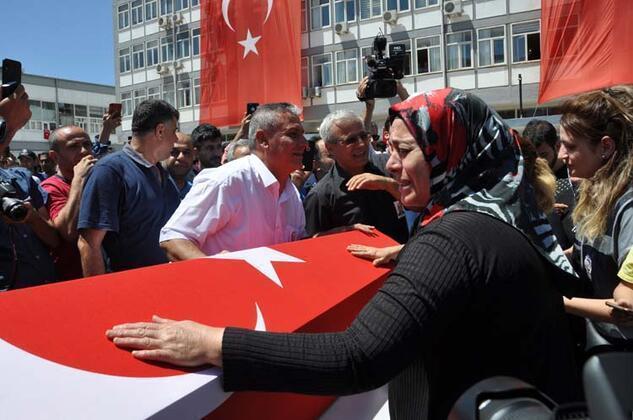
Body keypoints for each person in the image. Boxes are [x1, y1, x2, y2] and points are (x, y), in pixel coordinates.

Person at [107, 89, 580, 419]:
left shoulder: (453, 240)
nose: (388, 164)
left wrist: (211, 344)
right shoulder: (487, 220)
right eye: (387, 149)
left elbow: (358, 357)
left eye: (401, 150)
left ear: (448, 153)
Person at [159, 103, 307, 260]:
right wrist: (215, 271)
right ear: (263, 140)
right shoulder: (226, 181)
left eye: (302, 135)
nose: (304, 143)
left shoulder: (291, 193)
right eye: (293, 134)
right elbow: (173, 239)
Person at [558, 85, 633, 339]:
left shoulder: (629, 208)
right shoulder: (596, 193)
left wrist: (558, 302)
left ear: (606, 147)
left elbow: (627, 307)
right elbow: (583, 251)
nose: (561, 155)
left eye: (570, 146)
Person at [77, 99, 180, 276]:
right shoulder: (109, 172)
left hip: (166, 285)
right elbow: (88, 244)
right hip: (128, 291)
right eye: (174, 131)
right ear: (160, 131)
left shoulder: (162, 174)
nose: (176, 139)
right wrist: (100, 299)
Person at [304, 110, 408, 244]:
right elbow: (311, 244)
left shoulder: (388, 169)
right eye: (351, 140)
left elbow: (419, 206)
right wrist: (344, 233)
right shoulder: (321, 196)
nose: (361, 144)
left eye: (364, 136)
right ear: (330, 148)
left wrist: (389, 185)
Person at [0, 84, 59, 290]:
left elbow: (54, 240)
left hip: (44, 286)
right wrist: (9, 124)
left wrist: (32, 218)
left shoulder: (22, 178)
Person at [40, 126, 96, 281]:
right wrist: (78, 180)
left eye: (87, 144)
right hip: (71, 278)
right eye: (73, 147)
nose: (84, 151)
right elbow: (68, 232)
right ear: (55, 156)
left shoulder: (99, 179)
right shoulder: (50, 187)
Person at [522, 119, 575, 249]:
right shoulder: (528, 177)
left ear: (557, 146)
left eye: (543, 155)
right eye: (533, 156)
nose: (539, 161)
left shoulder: (574, 171)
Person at [163, 132, 195, 199]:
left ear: (194, 155)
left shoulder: (197, 192)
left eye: (186, 152)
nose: (181, 157)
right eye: (174, 152)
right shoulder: (152, 190)